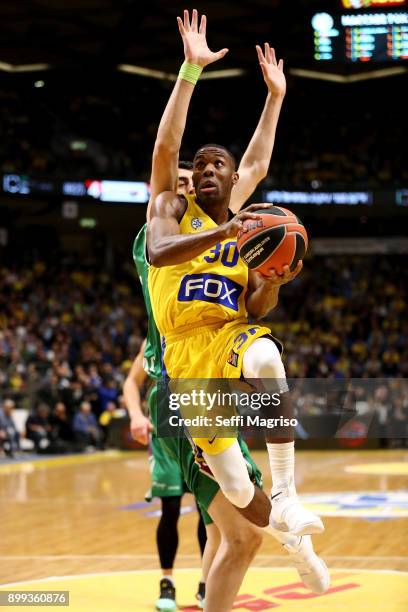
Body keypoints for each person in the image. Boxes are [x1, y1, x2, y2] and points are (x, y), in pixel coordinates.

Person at [135, 9, 328, 611]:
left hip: (229, 335)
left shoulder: (244, 235)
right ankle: (295, 545)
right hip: (184, 356)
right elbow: (164, 242)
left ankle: (291, 495)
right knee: (239, 489)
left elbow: (260, 163)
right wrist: (191, 68)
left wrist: (275, 99)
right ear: (192, 180)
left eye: (221, 163)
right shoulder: (171, 207)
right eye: (203, 164)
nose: (211, 168)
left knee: (267, 352)